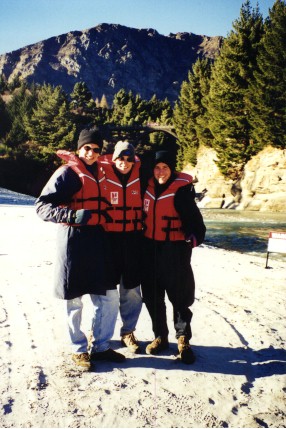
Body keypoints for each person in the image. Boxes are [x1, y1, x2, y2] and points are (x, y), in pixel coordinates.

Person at [35, 128, 125, 369]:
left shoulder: (103, 172)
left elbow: (132, 167)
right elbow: (41, 207)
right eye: (87, 148)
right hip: (73, 239)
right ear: (79, 149)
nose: (92, 153)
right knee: (74, 298)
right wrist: (73, 214)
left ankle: (102, 346)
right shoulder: (66, 173)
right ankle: (78, 349)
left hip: (98, 239)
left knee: (107, 296)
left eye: (96, 149)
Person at [141, 150, 206, 364]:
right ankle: (160, 336)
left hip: (175, 249)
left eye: (165, 168)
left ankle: (183, 339)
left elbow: (198, 225)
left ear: (172, 170)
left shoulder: (182, 191)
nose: (161, 172)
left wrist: (193, 238)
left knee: (179, 297)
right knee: (152, 296)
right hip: (150, 248)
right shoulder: (146, 188)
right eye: (157, 167)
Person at [99, 141, 143, 353]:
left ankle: (128, 331)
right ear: (114, 158)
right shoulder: (102, 175)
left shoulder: (141, 178)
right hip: (108, 241)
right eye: (120, 159)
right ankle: (100, 334)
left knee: (132, 290)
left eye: (129, 159)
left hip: (133, 240)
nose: (124, 163)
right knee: (107, 291)